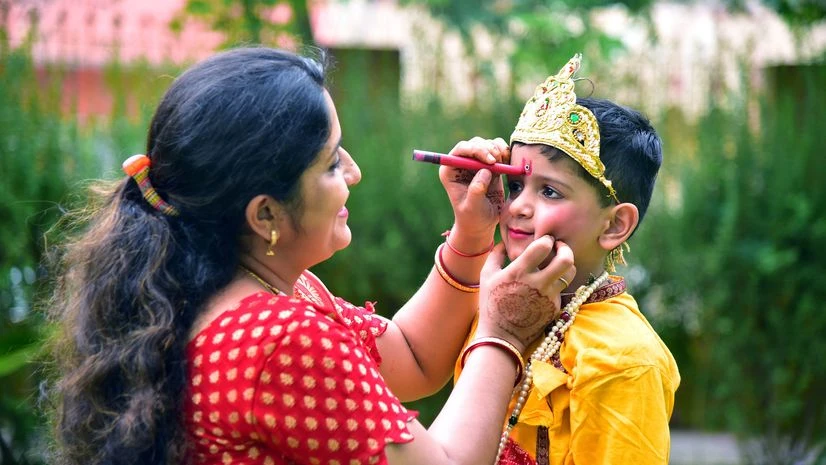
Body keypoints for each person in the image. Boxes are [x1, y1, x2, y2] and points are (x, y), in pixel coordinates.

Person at [46, 46, 577, 465]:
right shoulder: (280, 340)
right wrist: (505, 330)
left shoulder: (229, 284)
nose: (354, 173)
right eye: (330, 164)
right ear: (265, 215)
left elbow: (413, 359)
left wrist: (471, 235)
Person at [453, 54, 681, 465]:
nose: (517, 206)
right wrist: (468, 232)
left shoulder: (625, 358)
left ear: (615, 225)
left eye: (549, 191)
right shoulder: (496, 307)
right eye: (515, 184)